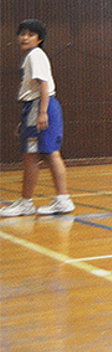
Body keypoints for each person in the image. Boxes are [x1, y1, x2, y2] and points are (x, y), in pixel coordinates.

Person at [1, 19, 74, 217]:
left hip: (40, 106)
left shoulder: (35, 55)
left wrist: (40, 113)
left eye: (30, 34)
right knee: (48, 153)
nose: (25, 37)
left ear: (39, 39)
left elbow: (43, 85)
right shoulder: (33, 56)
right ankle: (61, 200)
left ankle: (28, 202)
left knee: (34, 156)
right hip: (35, 107)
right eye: (22, 33)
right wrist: (25, 120)